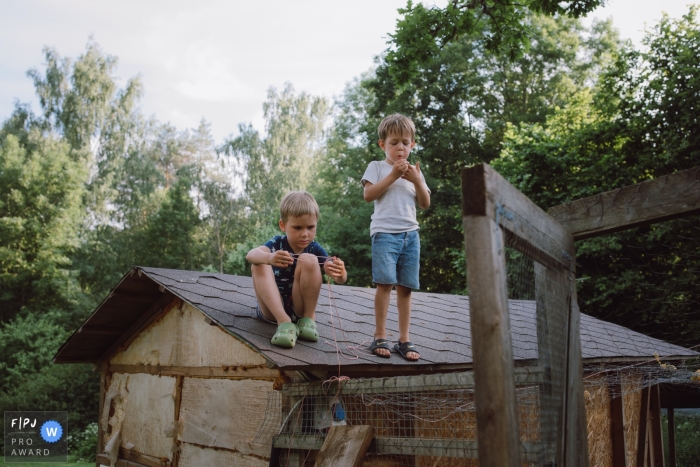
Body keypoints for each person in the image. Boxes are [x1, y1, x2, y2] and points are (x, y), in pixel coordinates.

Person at [361, 114, 430, 361]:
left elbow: (425, 203)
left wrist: (416, 181)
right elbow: (369, 195)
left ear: (412, 145)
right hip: (384, 234)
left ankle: (404, 339)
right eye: (393, 143)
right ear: (383, 145)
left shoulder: (415, 172)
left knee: (406, 288)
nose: (399, 147)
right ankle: (380, 335)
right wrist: (392, 175)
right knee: (384, 284)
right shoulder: (377, 167)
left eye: (405, 142)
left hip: (411, 236)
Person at [246, 191, 347, 349]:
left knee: (310, 259)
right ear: (283, 225)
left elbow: (340, 279)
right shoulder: (277, 243)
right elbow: (251, 255)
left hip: (299, 309)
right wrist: (269, 258)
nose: (305, 234)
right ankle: (284, 322)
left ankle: (308, 319)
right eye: (297, 227)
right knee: (258, 263)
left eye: (311, 227)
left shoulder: (314, 248)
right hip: (272, 310)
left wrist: (340, 273)